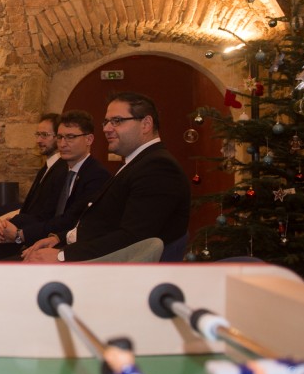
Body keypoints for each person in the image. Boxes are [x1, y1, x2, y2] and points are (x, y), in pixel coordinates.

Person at [22, 92, 191, 263]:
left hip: (114, 271)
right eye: (106, 122)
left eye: (117, 121)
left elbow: (133, 238)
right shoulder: (138, 162)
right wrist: (60, 238)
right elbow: (105, 224)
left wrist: (61, 255)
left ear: (146, 124)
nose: (106, 129)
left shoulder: (158, 167)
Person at [0, 110, 110, 259]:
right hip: (42, 238)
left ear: (89, 139)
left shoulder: (96, 175)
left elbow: (70, 221)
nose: (63, 144)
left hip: (67, 250)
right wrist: (12, 226)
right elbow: (45, 214)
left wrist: (20, 235)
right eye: (60, 137)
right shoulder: (64, 171)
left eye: (70, 137)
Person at [0, 113, 63, 244]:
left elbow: (45, 215)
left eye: (44, 135)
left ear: (59, 137)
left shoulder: (61, 170)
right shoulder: (48, 166)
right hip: (24, 223)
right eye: (38, 134)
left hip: (29, 234)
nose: (38, 140)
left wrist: (16, 229)